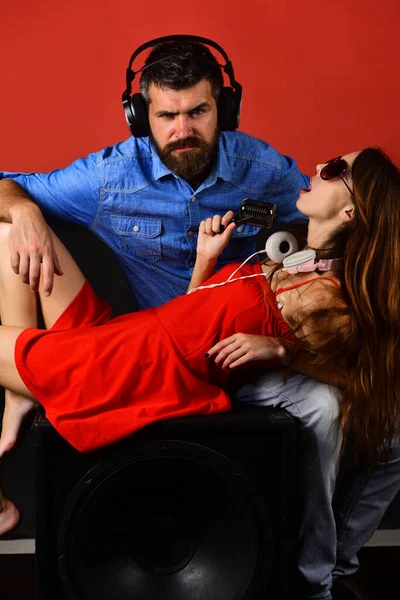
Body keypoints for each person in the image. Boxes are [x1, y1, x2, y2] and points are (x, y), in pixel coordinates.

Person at [0, 148, 400, 600]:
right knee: (10, 230)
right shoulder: (291, 262)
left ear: (351, 211)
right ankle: (20, 396)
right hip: (128, 335)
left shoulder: (328, 300)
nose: (316, 169)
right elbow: (195, 320)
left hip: (129, 364)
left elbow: (365, 381)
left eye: (333, 171)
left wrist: (283, 351)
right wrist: (205, 263)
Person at [0, 36, 309, 536]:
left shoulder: (265, 173)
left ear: (224, 109)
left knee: (331, 408)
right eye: (166, 116)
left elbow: (335, 219)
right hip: (144, 341)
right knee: (9, 228)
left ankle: (310, 566)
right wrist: (26, 209)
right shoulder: (110, 178)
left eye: (198, 112)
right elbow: (5, 183)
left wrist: (294, 273)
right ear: (140, 116)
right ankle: (21, 388)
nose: (182, 130)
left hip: (224, 355)